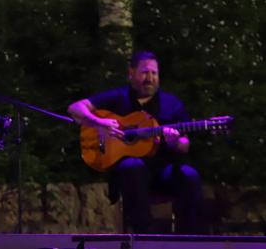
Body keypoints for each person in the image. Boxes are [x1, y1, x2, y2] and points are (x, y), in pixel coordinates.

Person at [67, 51, 203, 234]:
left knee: (190, 176)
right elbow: (75, 108)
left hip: (164, 171)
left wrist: (175, 141)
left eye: (154, 73)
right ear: (131, 73)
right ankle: (143, 236)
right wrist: (99, 123)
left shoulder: (172, 104)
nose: (150, 78)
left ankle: (189, 239)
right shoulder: (117, 97)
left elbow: (185, 144)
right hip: (131, 175)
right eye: (145, 73)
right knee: (132, 166)